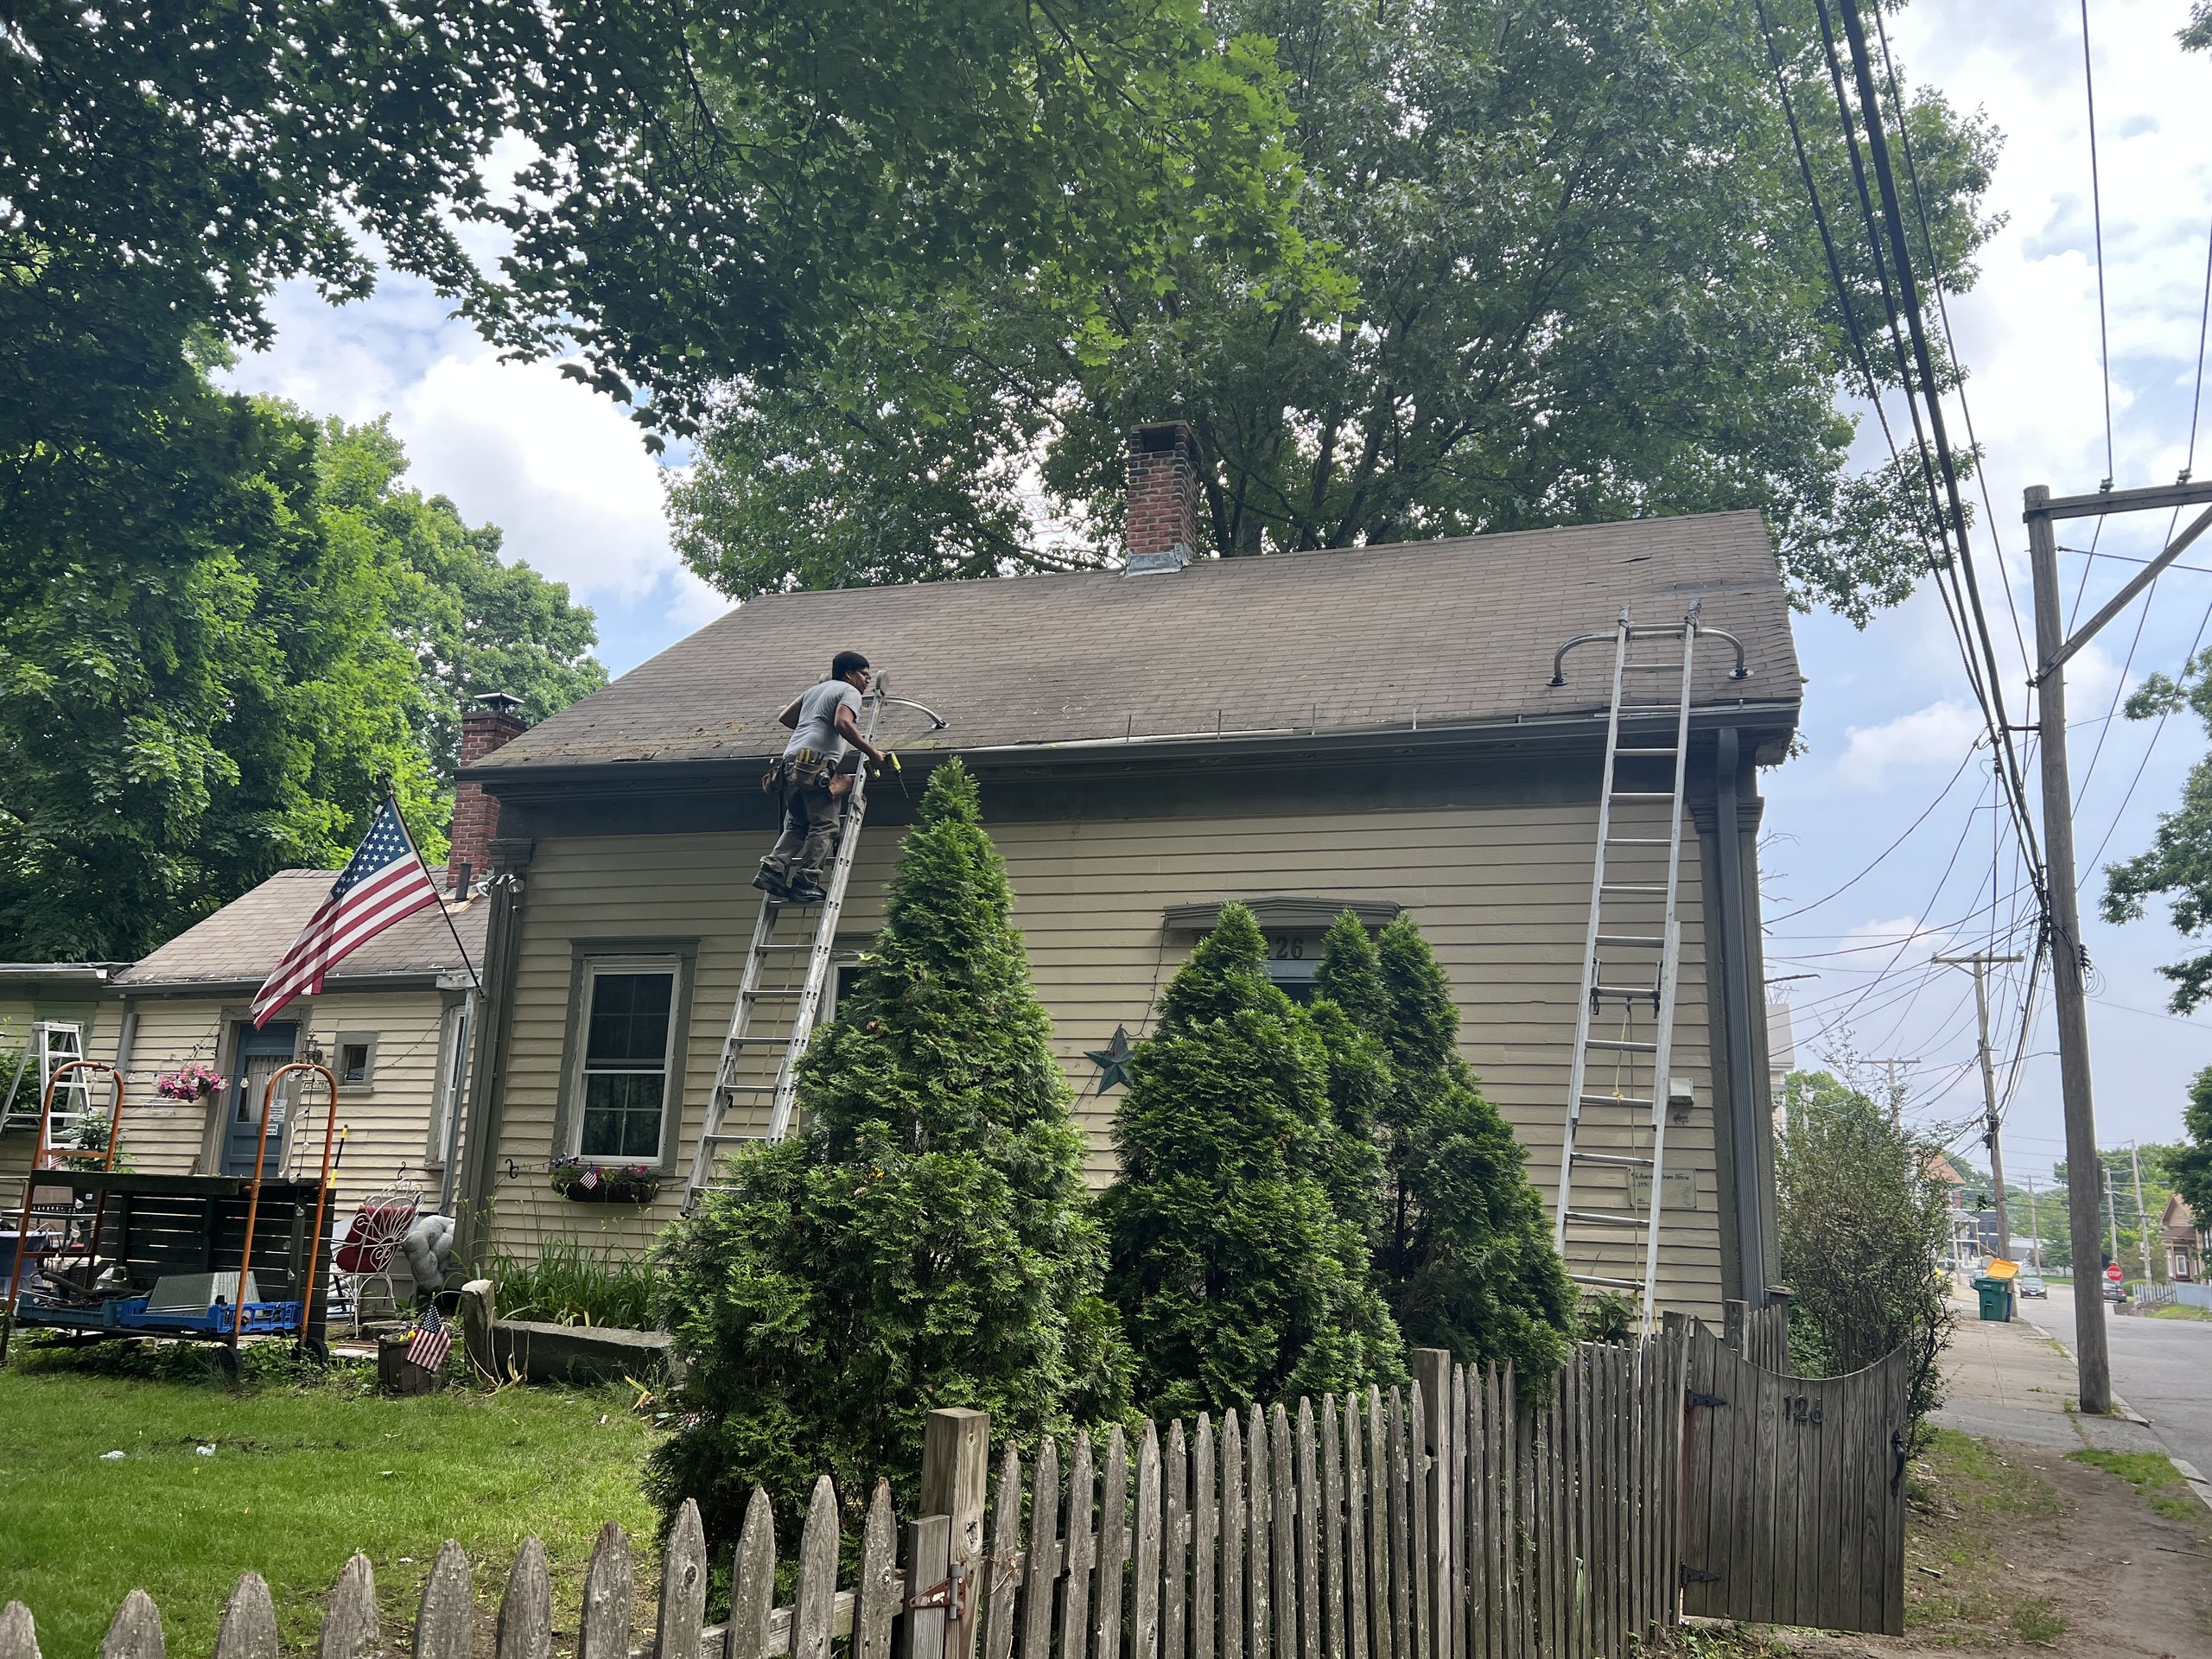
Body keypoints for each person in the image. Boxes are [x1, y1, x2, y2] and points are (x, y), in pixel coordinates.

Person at [756, 651, 888, 901]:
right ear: (849, 673)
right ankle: (806, 881)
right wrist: (871, 752)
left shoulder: (815, 691)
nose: (867, 681)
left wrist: (813, 728)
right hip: (814, 765)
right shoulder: (849, 692)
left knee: (798, 824)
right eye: (864, 674)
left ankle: (771, 870)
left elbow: (786, 718)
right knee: (826, 825)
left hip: (790, 764)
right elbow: (842, 722)